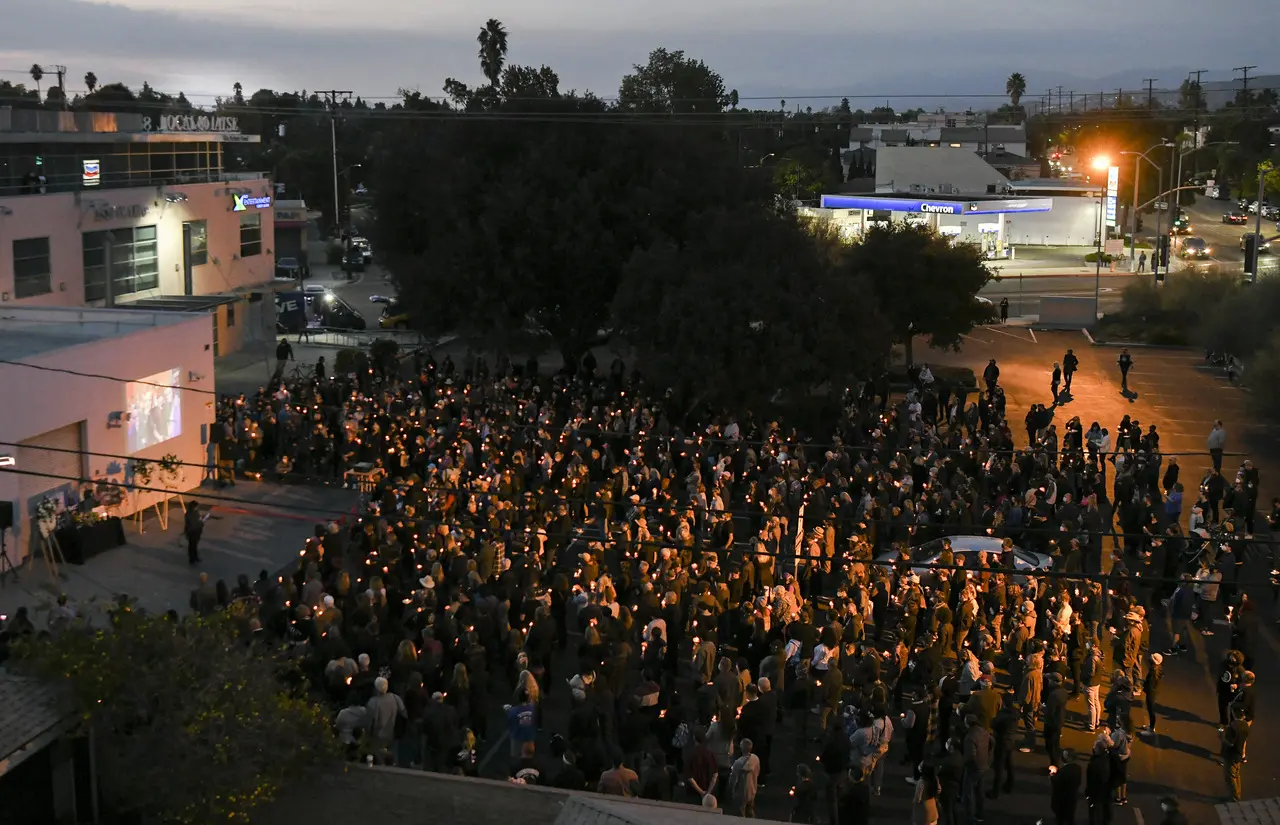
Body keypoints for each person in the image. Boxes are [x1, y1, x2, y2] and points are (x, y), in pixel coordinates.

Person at [727, 738, 761, 817]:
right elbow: (758, 772)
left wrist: (732, 790)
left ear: (741, 748)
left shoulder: (738, 763)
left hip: (741, 792)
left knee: (741, 812)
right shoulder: (755, 759)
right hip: (752, 790)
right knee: (750, 810)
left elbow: (733, 779)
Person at [1221, 703, 1248, 801]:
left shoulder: (1233, 726)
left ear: (1233, 713)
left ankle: (1235, 798)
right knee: (1237, 775)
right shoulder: (1245, 725)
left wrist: (1222, 736)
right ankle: (1238, 794)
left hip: (1231, 755)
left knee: (1230, 777)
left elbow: (1230, 743)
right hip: (1239, 754)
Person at [1050, 748, 1082, 825]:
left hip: (1062, 800)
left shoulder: (1064, 771)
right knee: (1070, 817)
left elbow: (1057, 782)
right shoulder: (1078, 768)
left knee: (1060, 819)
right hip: (1072, 798)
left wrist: (1053, 774)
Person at [1085, 735, 1113, 825]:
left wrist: (1088, 793)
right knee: (1105, 807)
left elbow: (1090, 780)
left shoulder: (1093, 764)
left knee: (1094, 810)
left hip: (1096, 792)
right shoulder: (1109, 758)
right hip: (1106, 790)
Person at [183, 500, 204, 564]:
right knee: (192, 546)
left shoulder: (193, 513)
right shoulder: (190, 513)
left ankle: (194, 557)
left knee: (194, 545)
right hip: (193, 531)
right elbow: (191, 523)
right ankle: (192, 559)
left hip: (195, 531)